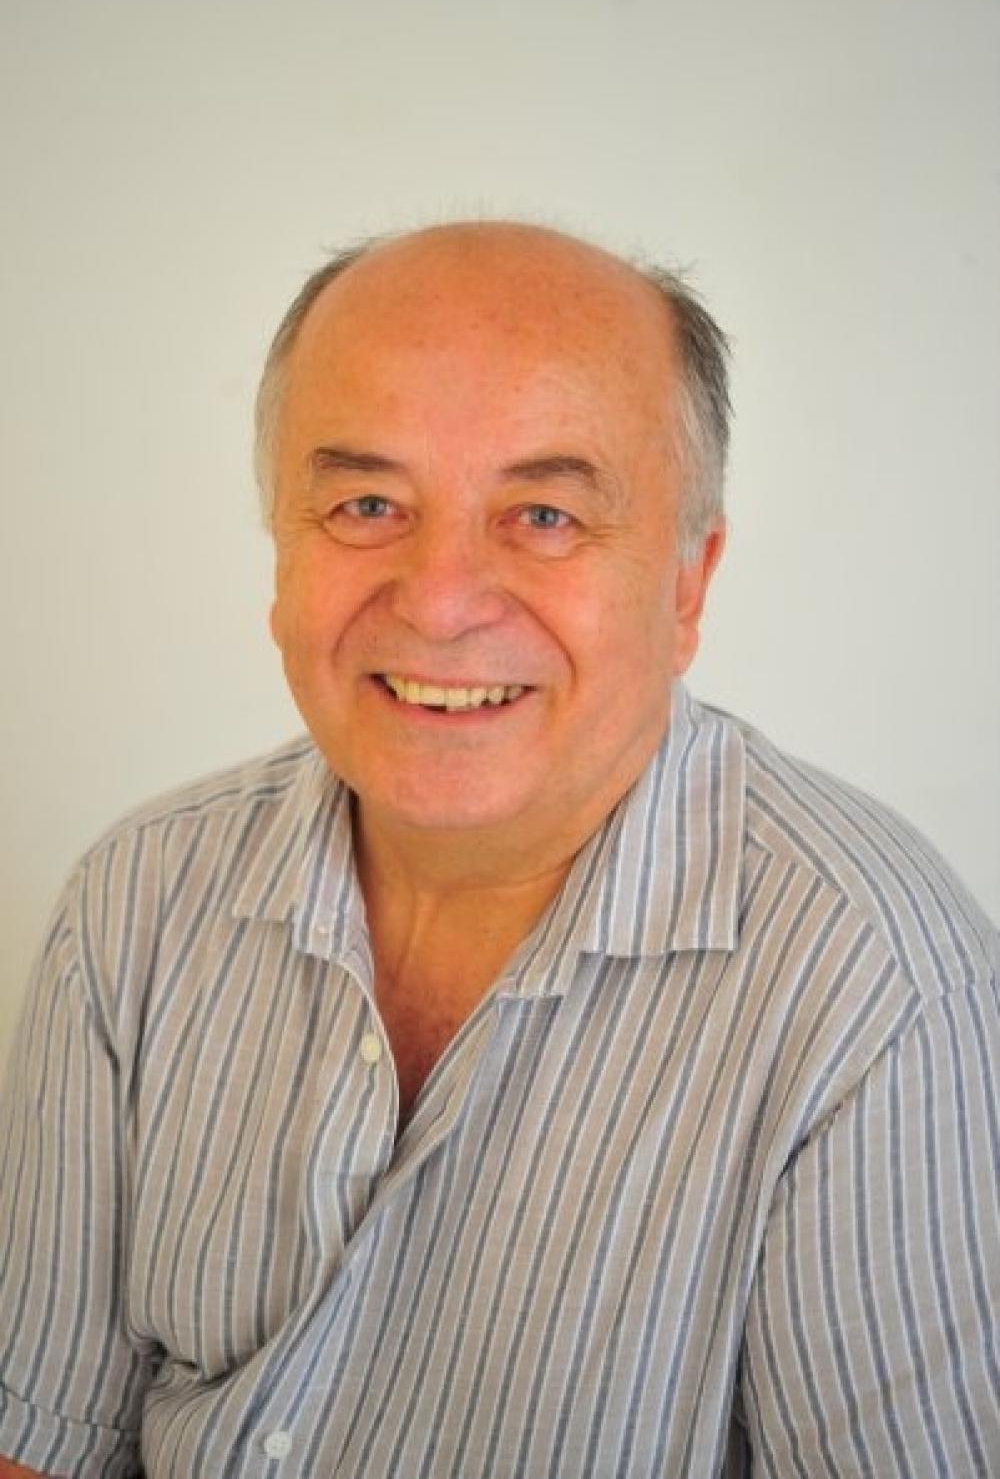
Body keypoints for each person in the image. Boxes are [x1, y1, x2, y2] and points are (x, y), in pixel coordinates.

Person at [0, 222, 997, 1479]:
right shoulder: (135, 901)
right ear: (282, 552)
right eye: (368, 505)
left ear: (685, 586)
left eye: (543, 514)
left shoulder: (876, 993)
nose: (439, 599)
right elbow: (39, 1446)